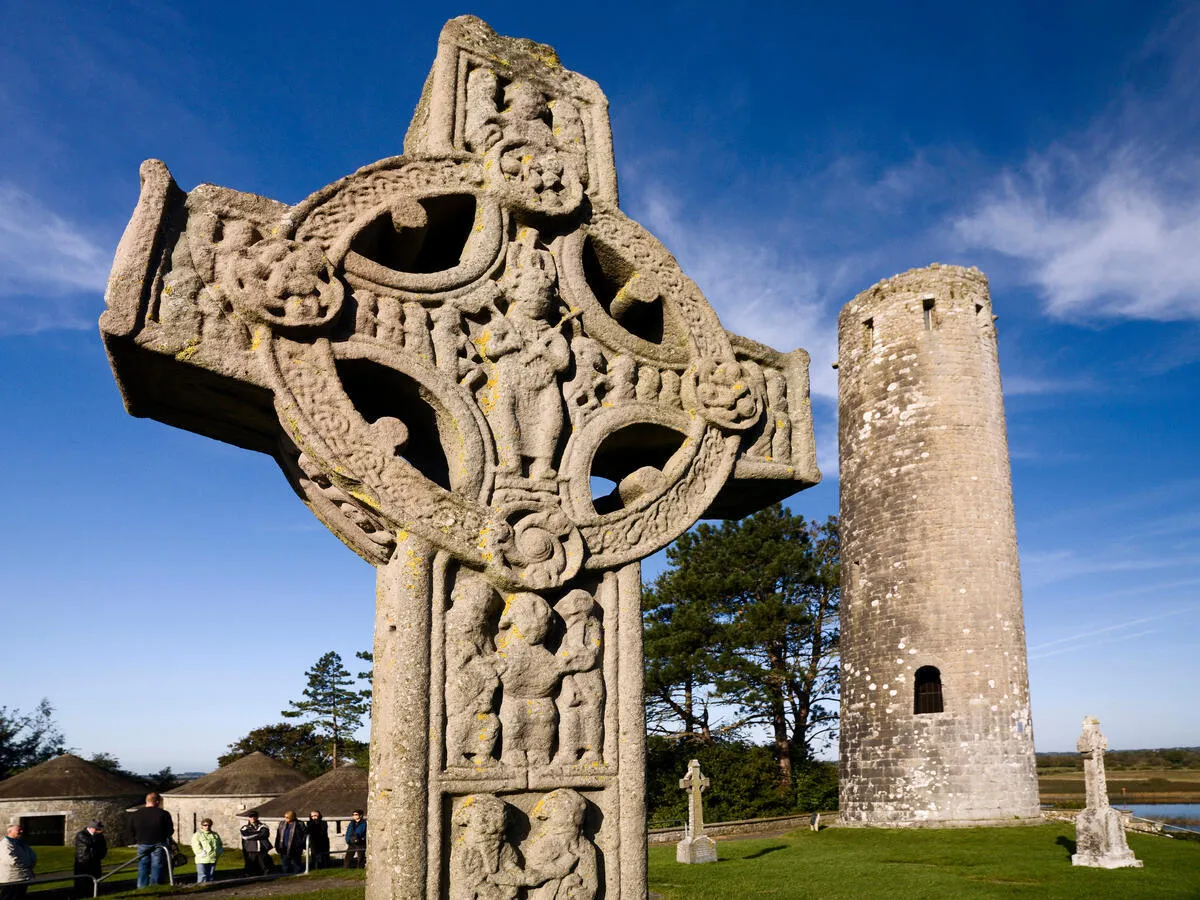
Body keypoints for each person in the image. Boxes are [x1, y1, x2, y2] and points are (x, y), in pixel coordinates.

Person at [130, 792, 173, 889]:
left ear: (146, 801)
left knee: (142, 864)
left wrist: (135, 839)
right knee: (157, 864)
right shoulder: (163, 814)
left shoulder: (135, 814)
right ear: (157, 802)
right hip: (158, 843)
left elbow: (130, 829)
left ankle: (141, 886)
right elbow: (170, 830)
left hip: (142, 843)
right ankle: (154, 885)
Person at [0, 824, 36, 900]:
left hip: (23, 877)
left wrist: (30, 863)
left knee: (20, 897)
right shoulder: (5, 844)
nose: (21, 831)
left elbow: (32, 855)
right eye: (18, 830)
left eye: (21, 829)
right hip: (12, 879)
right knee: (8, 897)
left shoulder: (21, 843)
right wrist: (28, 865)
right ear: (10, 831)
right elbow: (11, 860)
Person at [73, 821, 107, 899]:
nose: (99, 831)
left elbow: (103, 847)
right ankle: (81, 896)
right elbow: (90, 842)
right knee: (82, 881)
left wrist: (101, 855)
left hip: (95, 861)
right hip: (83, 862)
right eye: (97, 829)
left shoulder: (99, 836)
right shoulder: (81, 834)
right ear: (91, 828)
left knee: (96, 879)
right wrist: (98, 836)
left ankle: (94, 895)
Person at [189, 819, 222, 884]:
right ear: (202, 826)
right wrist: (201, 854)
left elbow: (219, 844)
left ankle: (211, 890)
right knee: (202, 876)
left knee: (211, 876)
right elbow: (195, 845)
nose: (207, 826)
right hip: (202, 859)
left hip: (213, 858)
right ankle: (200, 890)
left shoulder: (215, 834)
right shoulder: (197, 835)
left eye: (209, 825)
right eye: (205, 825)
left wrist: (219, 851)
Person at [239, 812, 271, 877]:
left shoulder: (263, 826)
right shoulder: (245, 827)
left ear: (257, 817)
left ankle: (266, 876)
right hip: (250, 849)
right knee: (250, 864)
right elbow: (245, 836)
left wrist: (252, 834)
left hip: (262, 848)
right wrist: (258, 833)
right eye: (251, 817)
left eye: (254, 816)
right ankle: (249, 876)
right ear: (249, 818)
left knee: (264, 864)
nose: (253, 818)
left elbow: (265, 834)